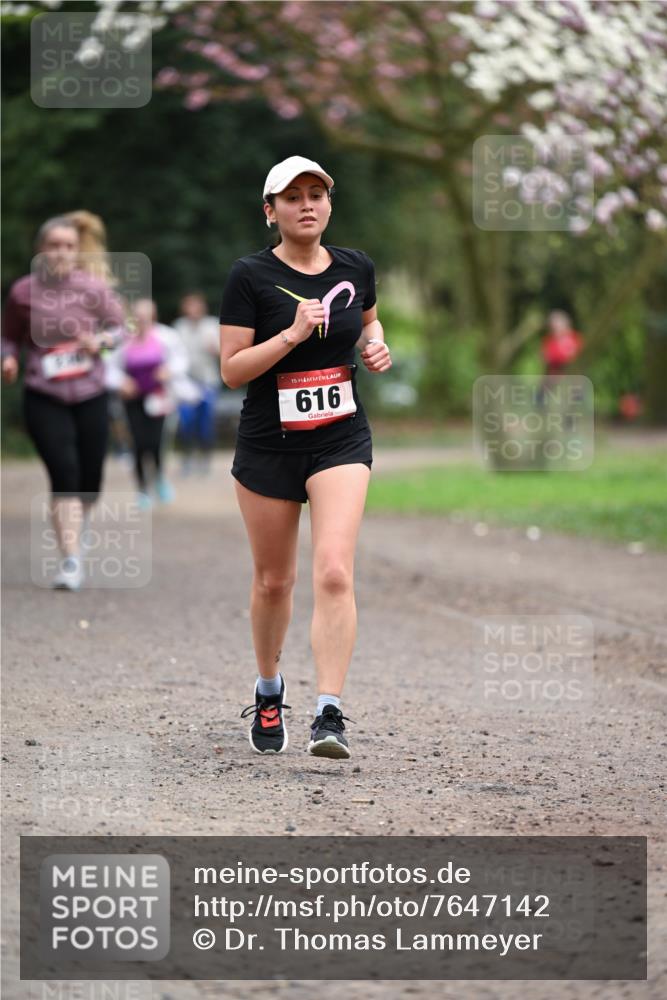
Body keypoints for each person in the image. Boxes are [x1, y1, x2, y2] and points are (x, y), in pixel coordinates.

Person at [219, 155, 391, 760]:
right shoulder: (249, 276)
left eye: (316, 194)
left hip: (340, 438)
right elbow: (232, 370)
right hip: (269, 443)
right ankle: (270, 689)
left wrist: (376, 347)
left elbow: (369, 324)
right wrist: (291, 335)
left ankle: (329, 713)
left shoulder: (356, 266)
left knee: (336, 571)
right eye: (292, 197)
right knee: (274, 580)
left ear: (329, 204)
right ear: (271, 211)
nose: (307, 204)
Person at [1, 214, 126, 591]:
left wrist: (100, 343)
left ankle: (78, 526)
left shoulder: (94, 289)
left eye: (68, 246)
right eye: (53, 245)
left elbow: (121, 329)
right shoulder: (23, 292)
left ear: (77, 252)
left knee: (90, 478)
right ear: (41, 250)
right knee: (63, 471)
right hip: (44, 393)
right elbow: (8, 337)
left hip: (90, 392)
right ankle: (71, 560)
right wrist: (7, 358)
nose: (61, 253)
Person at [104, 298, 189, 509]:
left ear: (153, 316)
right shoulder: (121, 338)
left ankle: (160, 478)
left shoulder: (166, 336)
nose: (141, 321)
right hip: (131, 400)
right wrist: (122, 382)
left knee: (157, 443)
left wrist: (168, 371)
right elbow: (107, 366)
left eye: (146, 317)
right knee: (138, 444)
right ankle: (142, 488)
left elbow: (181, 360)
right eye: (138, 317)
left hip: (159, 398)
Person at [173, 292, 222, 476]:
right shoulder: (179, 327)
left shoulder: (212, 325)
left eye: (196, 306)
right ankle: (187, 459)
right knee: (186, 423)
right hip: (186, 383)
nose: (193, 310)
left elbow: (222, 351)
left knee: (205, 423)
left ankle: (205, 460)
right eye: (189, 306)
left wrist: (215, 348)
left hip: (208, 382)